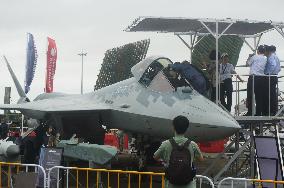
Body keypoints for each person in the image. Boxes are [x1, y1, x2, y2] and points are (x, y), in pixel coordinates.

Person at [153, 116, 203, 188]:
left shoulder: (165, 144)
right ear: (186, 128)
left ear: (173, 127)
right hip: (189, 184)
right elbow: (201, 159)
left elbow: (155, 157)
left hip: (170, 184)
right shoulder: (193, 144)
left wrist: (164, 161)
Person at [246, 45, 267, 116]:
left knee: (250, 95)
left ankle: (250, 112)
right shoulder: (265, 58)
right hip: (261, 78)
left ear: (258, 51)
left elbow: (247, 64)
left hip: (253, 78)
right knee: (259, 96)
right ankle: (258, 112)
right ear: (264, 51)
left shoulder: (254, 57)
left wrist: (249, 57)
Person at [264, 45, 281, 115]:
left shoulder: (271, 57)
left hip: (270, 76)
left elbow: (273, 65)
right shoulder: (276, 57)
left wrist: (268, 73)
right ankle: (274, 110)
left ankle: (270, 111)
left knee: (269, 94)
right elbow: (279, 68)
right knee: (273, 94)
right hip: (274, 76)